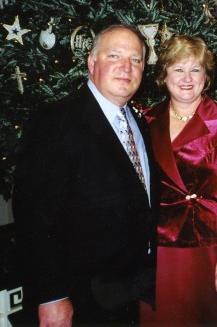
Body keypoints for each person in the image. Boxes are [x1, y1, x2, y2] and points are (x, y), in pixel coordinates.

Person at [12, 24, 159, 326]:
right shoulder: (54, 121)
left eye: (136, 59)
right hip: (80, 300)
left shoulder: (140, 124)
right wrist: (51, 296)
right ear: (92, 63)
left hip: (129, 292)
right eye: (114, 56)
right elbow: (35, 218)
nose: (126, 67)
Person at [139, 35, 217, 326]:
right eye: (178, 69)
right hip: (157, 246)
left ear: (207, 76)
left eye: (196, 69)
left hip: (206, 246)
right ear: (164, 74)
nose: (187, 78)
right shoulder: (147, 120)